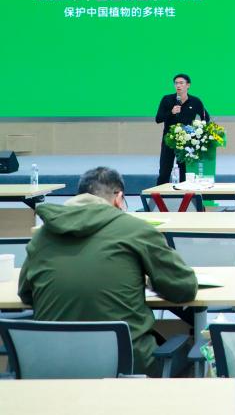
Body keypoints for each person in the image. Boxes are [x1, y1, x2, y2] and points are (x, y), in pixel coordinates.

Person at [18, 166, 198, 377]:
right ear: (119, 198)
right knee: (193, 358)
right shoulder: (136, 230)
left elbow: (26, 293)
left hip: (54, 366)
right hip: (128, 365)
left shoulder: (43, 235)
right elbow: (184, 288)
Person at [155, 73, 209, 185]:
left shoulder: (195, 101)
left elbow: (205, 118)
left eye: (181, 83)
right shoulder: (167, 99)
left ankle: (185, 194)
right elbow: (158, 119)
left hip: (187, 142)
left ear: (188, 85)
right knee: (164, 171)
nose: (178, 85)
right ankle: (159, 194)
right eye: (176, 83)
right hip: (169, 140)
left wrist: (197, 130)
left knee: (185, 172)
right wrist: (171, 112)